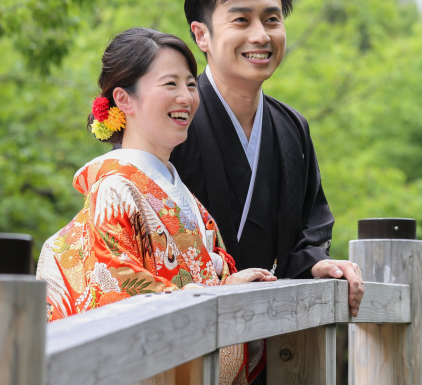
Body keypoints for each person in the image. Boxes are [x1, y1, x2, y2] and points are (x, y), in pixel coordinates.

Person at [36, 27, 272, 385]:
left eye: (191, 84)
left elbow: (213, 278)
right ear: (124, 99)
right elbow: (116, 291)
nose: (186, 97)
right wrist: (219, 294)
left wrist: (232, 284)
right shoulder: (114, 192)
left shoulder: (184, 198)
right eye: (170, 84)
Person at [170, 0, 365, 322]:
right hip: (190, 335)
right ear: (202, 35)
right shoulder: (171, 119)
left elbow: (309, 229)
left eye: (271, 19)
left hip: (273, 341)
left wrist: (315, 264)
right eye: (241, 20)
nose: (260, 35)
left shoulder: (293, 128)